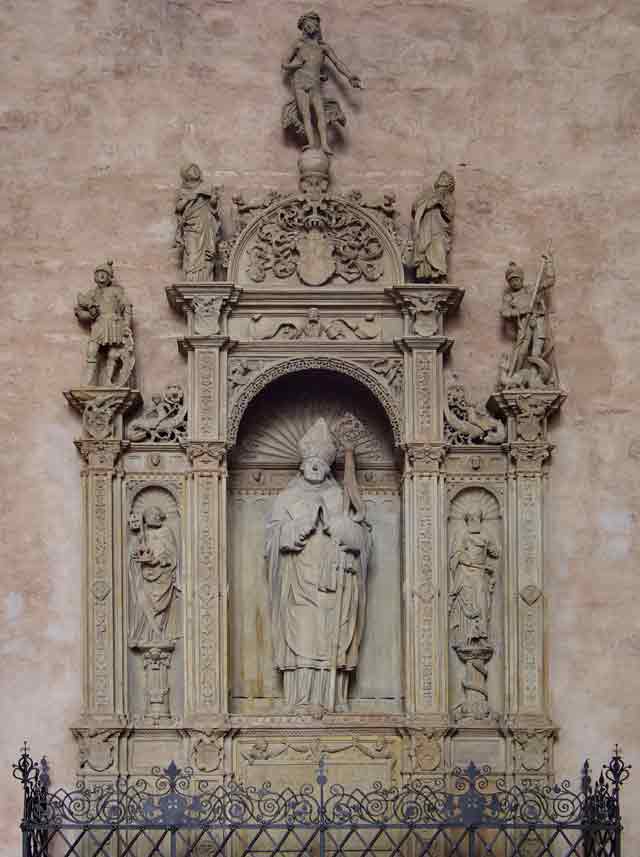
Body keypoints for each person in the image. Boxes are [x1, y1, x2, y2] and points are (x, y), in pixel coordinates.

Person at [266, 418, 371, 711]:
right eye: (310, 461)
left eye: (320, 462)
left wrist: (339, 526)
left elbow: (363, 539)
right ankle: (299, 700)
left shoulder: (340, 497)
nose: (315, 466)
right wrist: (300, 525)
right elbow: (272, 541)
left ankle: (332, 700)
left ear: (328, 467)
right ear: (302, 465)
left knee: (329, 639)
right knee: (303, 634)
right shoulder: (286, 498)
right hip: (298, 580)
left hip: (335, 582)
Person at [282, 11, 362, 155]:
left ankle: (324, 144)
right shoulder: (298, 45)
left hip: (314, 82)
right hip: (300, 81)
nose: (310, 27)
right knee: (305, 114)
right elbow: (284, 64)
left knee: (320, 114)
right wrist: (297, 64)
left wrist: (350, 77)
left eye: (312, 24)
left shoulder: (323, 47)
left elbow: (338, 63)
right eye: (307, 25)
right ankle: (311, 143)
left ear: (317, 26)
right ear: (303, 27)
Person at [74, 261, 134, 386]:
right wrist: (89, 313)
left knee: (113, 353)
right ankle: (88, 381)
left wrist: (126, 325)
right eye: (99, 273)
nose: (101, 275)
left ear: (109, 277)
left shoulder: (115, 291)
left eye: (105, 273)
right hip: (99, 323)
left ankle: (108, 381)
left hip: (114, 323)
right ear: (94, 277)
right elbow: (81, 308)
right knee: (92, 351)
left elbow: (127, 306)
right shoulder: (92, 293)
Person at [501, 255, 556, 386]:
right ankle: (515, 375)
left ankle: (534, 376)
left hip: (537, 321)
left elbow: (550, 281)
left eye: (516, 279)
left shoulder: (531, 289)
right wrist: (521, 311)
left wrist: (549, 264)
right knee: (522, 351)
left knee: (536, 351)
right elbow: (505, 312)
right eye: (511, 281)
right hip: (523, 325)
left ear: (521, 279)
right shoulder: (510, 297)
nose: (514, 283)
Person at [129, 506, 180, 645]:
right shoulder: (143, 535)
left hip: (163, 575)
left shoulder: (166, 532)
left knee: (159, 605)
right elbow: (139, 552)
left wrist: (157, 560)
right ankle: (146, 636)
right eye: (153, 514)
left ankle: (158, 635)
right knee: (143, 603)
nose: (157, 517)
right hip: (147, 575)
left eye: (158, 514)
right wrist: (136, 554)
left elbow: (172, 554)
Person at [448, 509, 500, 648]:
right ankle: (465, 636)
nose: (474, 521)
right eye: (471, 518)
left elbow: (495, 553)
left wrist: (487, 543)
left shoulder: (486, 535)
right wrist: (464, 557)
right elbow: (455, 555)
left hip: (480, 574)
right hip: (465, 574)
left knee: (482, 601)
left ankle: (481, 634)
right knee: (468, 602)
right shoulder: (461, 534)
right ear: (467, 520)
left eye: (477, 518)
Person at [175, 163, 221, 281]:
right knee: (193, 253)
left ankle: (205, 277)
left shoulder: (206, 188)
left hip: (205, 224)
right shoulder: (183, 191)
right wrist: (189, 198)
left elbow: (212, 206)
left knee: (207, 254)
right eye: (191, 169)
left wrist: (214, 199)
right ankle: (192, 278)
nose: (195, 170)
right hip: (191, 227)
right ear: (186, 175)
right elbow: (179, 208)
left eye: (196, 169)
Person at [410, 171, 455, 281]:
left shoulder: (449, 198)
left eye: (446, 178)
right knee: (425, 248)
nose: (443, 179)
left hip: (439, 230)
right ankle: (426, 274)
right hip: (425, 228)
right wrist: (428, 204)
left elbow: (449, 215)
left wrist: (441, 204)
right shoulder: (427, 194)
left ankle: (439, 275)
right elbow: (415, 207)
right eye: (442, 177)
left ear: (449, 184)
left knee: (438, 248)